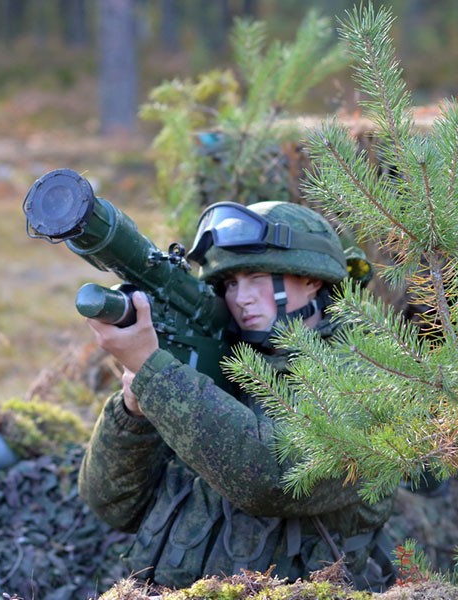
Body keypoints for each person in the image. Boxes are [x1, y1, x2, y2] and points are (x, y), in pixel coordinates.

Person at [77, 201, 395, 590]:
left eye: (257, 277)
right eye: (230, 284)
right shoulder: (212, 366)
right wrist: (133, 410)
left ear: (311, 279)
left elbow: (277, 481)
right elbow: (114, 505)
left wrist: (156, 375)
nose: (241, 298)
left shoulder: (369, 375)